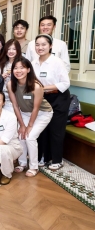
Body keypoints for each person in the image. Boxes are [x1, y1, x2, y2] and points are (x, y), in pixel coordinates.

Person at [7, 57, 53, 177]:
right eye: (15, 68)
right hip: (24, 113)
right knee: (21, 135)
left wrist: (29, 126)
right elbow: (15, 106)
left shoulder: (36, 86)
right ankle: (22, 163)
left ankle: (34, 166)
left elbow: (36, 108)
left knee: (30, 137)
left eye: (22, 67)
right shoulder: (10, 84)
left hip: (43, 113)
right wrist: (22, 125)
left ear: (28, 70)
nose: (18, 71)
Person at [32, 34, 70, 171]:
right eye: (37, 44)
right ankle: (44, 157)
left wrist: (43, 88)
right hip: (42, 98)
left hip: (59, 98)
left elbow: (65, 83)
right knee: (43, 128)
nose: (40, 47)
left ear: (50, 46)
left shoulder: (57, 62)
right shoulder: (33, 63)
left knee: (56, 129)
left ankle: (57, 159)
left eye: (44, 44)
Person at [0, 39, 22, 112]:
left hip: (18, 96)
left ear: (18, 50)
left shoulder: (22, 63)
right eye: (9, 49)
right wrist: (1, 78)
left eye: (14, 49)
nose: (11, 51)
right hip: (4, 97)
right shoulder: (1, 64)